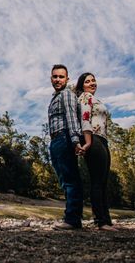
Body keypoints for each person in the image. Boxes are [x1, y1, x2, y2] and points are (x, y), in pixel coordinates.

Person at [75, 72, 116, 231]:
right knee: (98, 181)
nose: (92, 83)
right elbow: (85, 118)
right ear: (82, 85)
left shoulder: (95, 99)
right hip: (93, 139)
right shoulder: (85, 97)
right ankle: (101, 221)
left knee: (103, 182)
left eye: (94, 80)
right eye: (88, 81)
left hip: (102, 140)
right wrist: (88, 142)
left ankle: (106, 220)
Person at [47, 64, 84, 230]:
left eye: (61, 77)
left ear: (67, 79)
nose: (57, 79)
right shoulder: (55, 97)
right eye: (55, 76)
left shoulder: (67, 94)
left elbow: (71, 118)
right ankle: (71, 217)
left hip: (65, 138)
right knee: (64, 180)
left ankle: (72, 219)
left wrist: (76, 141)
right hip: (55, 140)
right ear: (51, 78)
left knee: (70, 180)